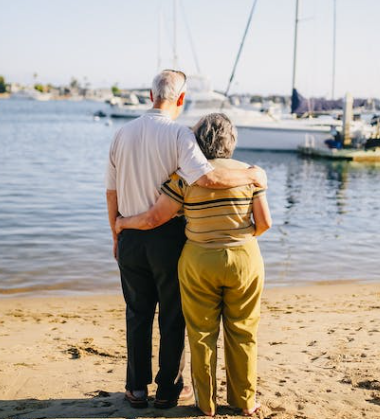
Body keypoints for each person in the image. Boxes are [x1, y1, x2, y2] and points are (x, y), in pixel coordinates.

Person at [106, 70, 267, 409]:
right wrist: (252, 175)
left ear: (151, 96)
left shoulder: (121, 134)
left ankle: (136, 389)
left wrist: (116, 232)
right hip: (167, 238)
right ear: (180, 99)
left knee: (137, 314)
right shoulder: (180, 134)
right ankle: (168, 390)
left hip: (130, 234)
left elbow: (112, 192)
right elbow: (208, 177)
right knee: (172, 315)